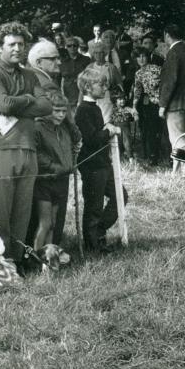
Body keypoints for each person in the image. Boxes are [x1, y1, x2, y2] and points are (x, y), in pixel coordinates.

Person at [0, 22, 54, 261]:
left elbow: (47, 106)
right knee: (0, 212)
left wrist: (22, 101)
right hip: (0, 149)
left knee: (22, 212)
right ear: (0, 47)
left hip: (27, 148)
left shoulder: (30, 75)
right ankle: (1, 264)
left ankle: (17, 261)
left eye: (21, 44)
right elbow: (3, 104)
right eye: (11, 44)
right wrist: (30, 100)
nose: (17, 49)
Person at [75, 67, 123, 252]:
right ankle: (93, 245)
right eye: (100, 84)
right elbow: (92, 140)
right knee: (94, 206)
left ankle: (99, 231)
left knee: (120, 197)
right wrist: (108, 130)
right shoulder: (83, 110)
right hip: (92, 165)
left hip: (103, 164)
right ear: (87, 87)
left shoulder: (93, 107)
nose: (105, 88)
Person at [33, 93, 75, 251]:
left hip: (60, 180)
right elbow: (36, 153)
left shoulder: (63, 128)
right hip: (45, 181)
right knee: (45, 223)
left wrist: (70, 122)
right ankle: (36, 258)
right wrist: (53, 166)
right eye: (57, 111)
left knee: (53, 223)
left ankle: (49, 260)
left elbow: (77, 138)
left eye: (64, 111)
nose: (61, 115)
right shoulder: (38, 127)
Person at [159, 23, 185, 167]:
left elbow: (169, 81)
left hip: (174, 104)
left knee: (178, 139)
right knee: (182, 137)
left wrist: (162, 104)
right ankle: (178, 171)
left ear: (167, 35)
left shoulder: (173, 53)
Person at [60, 36, 91, 108]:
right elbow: (59, 80)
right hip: (68, 94)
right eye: (69, 46)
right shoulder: (62, 62)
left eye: (74, 45)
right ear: (66, 47)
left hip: (83, 93)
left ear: (78, 47)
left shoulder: (86, 60)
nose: (72, 47)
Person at [110, 89, 138, 162]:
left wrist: (135, 115)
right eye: (120, 99)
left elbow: (133, 112)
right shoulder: (113, 110)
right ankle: (118, 159)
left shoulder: (127, 109)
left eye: (123, 99)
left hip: (126, 130)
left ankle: (131, 159)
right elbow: (111, 119)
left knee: (127, 144)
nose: (122, 101)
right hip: (117, 130)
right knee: (117, 144)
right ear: (115, 101)